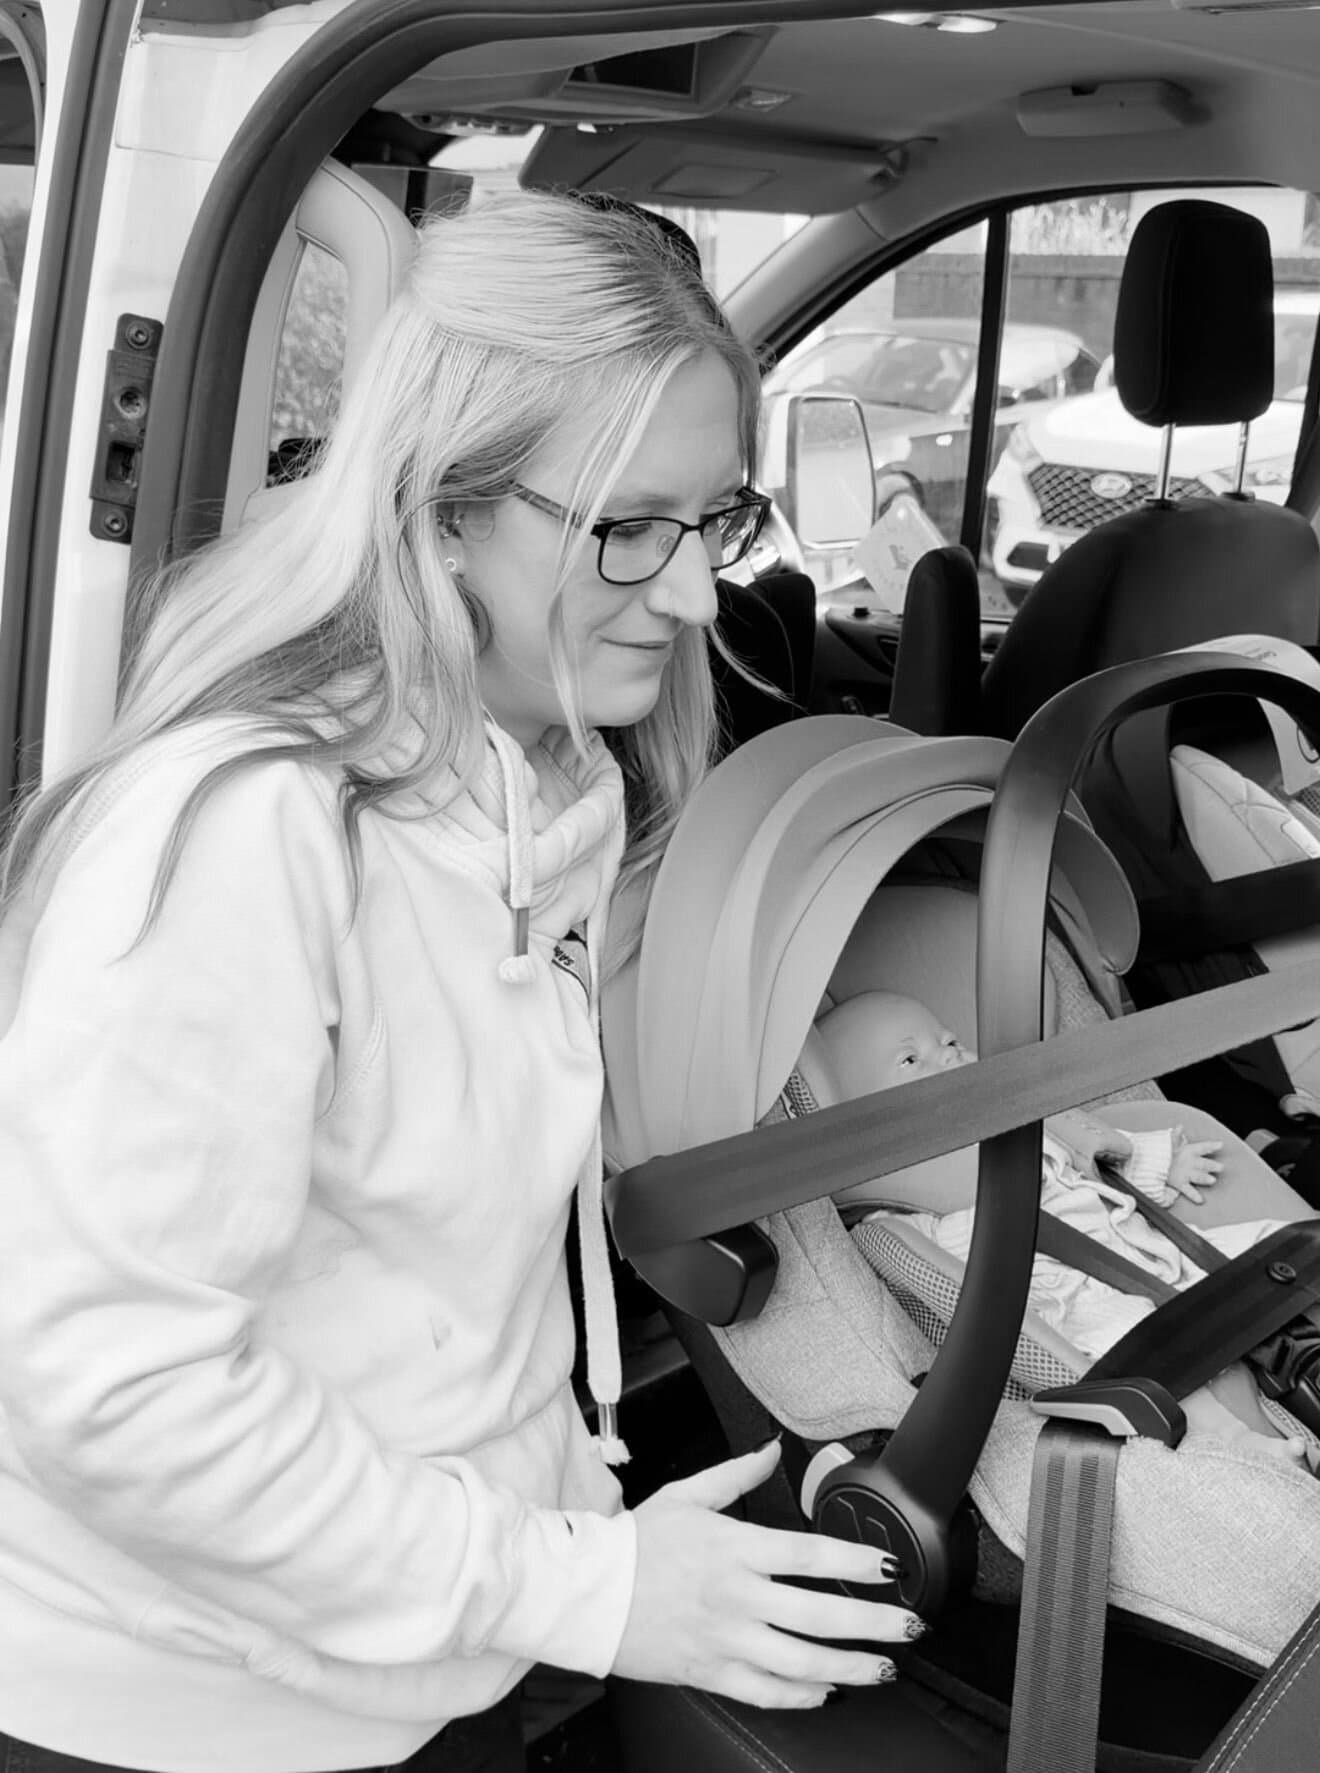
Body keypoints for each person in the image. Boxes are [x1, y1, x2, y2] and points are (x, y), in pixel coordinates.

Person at [0, 193, 926, 1773]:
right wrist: (582, 1586)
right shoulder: (250, 832)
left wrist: (972, 1112)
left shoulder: (544, 779)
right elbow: (110, 1382)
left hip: (438, 1646)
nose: (700, 595)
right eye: (628, 528)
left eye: (716, 521)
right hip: (201, 1714)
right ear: (438, 504)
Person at [815, 990, 1314, 1465]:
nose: (947, 1057)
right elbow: (942, 1282)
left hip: (1147, 1247)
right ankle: (1239, 1441)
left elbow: (1100, 1163)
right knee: (1151, 1353)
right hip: (1075, 1306)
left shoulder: (1024, 1124)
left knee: (1282, 1243)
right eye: (910, 1060)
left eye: (949, 1043)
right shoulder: (909, 1215)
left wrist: (1167, 1164)